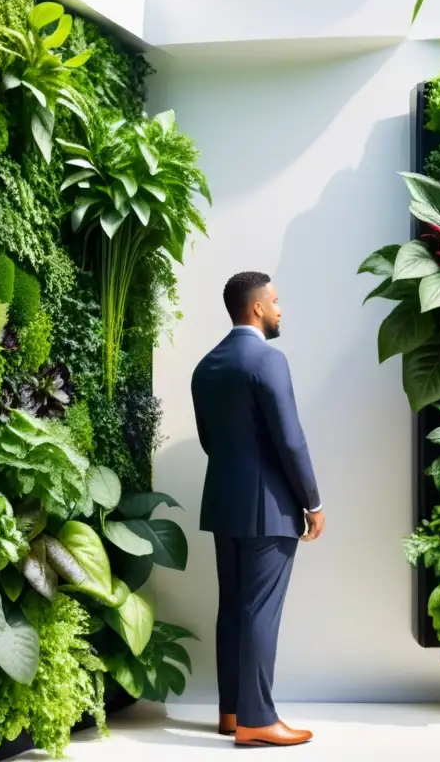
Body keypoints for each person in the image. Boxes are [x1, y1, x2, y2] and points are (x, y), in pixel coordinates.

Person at [190, 271, 324, 748]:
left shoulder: (205, 367)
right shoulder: (268, 360)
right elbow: (290, 439)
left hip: (224, 504)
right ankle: (258, 719)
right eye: (275, 301)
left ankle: (231, 711)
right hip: (269, 509)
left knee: (233, 609)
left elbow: (211, 442)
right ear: (256, 309)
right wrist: (313, 501)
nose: (280, 309)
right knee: (260, 612)